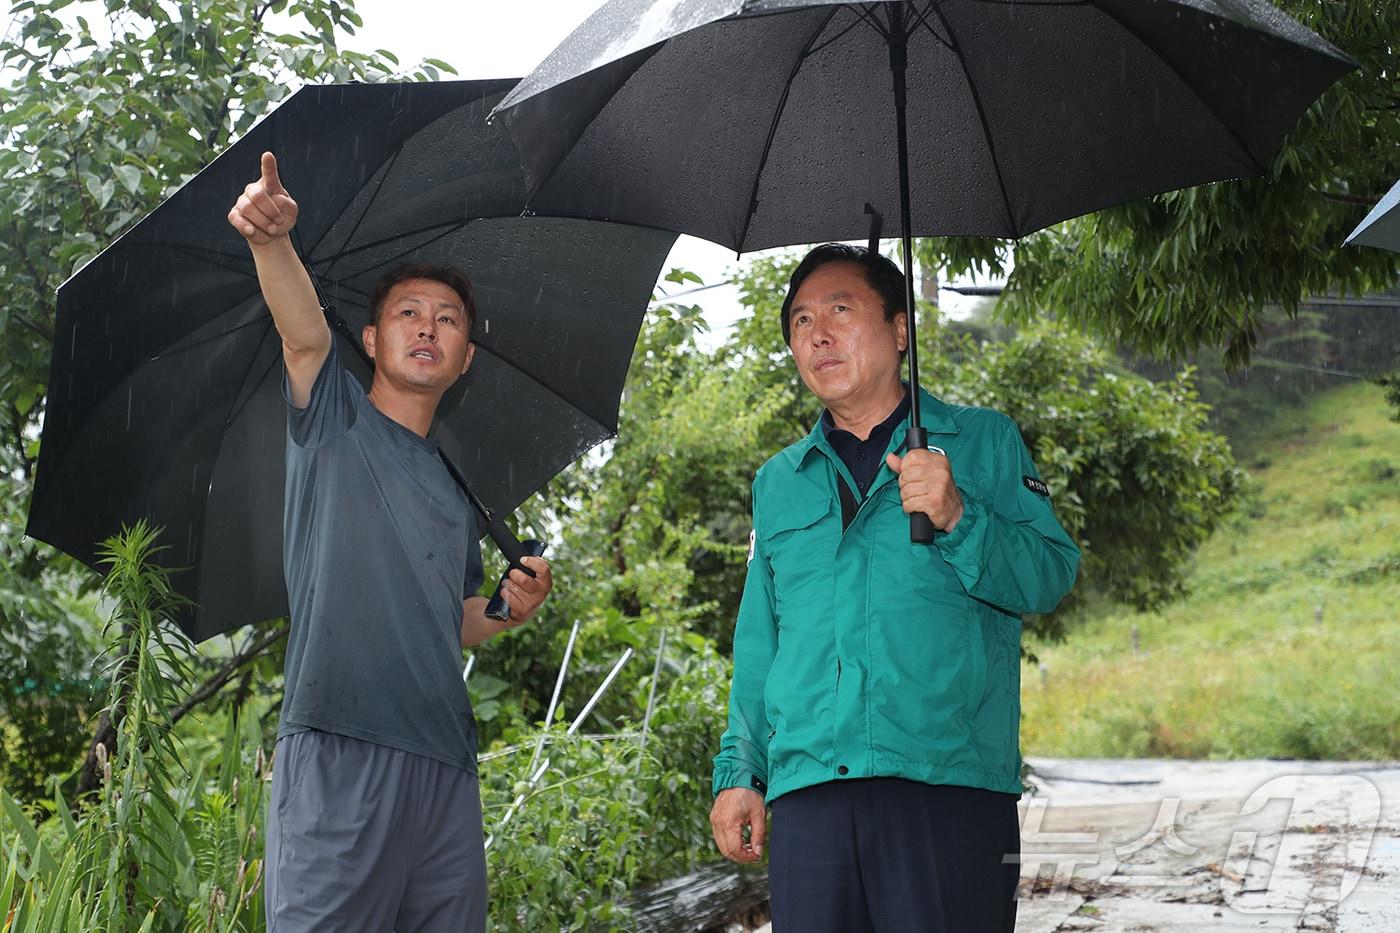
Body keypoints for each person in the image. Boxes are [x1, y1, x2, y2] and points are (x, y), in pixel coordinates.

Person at [709, 244, 1079, 932]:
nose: (817, 334)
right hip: (811, 795)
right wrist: (740, 772)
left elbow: (1050, 574)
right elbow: (761, 642)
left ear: (901, 329)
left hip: (948, 789)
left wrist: (960, 516)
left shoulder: (983, 442)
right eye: (800, 322)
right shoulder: (778, 483)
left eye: (841, 311)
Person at [228, 151, 553, 932]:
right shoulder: (332, 419)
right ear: (371, 339)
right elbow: (304, 336)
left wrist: (510, 610)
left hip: (444, 767)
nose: (427, 327)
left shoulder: (455, 485)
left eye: (447, 319)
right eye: (409, 313)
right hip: (338, 747)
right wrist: (272, 243)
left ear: (465, 356)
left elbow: (457, 618)